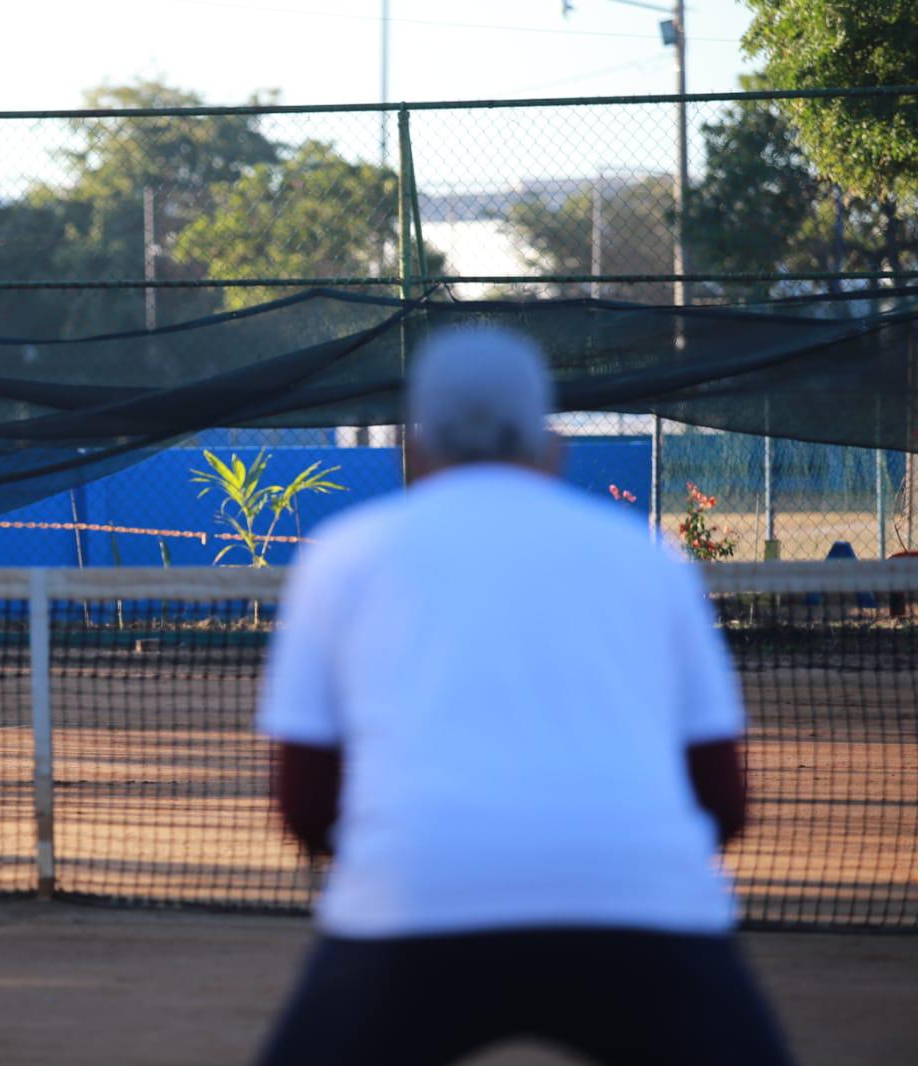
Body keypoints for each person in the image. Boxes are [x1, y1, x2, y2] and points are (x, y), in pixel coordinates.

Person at [255, 326, 792, 1065]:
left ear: (413, 450)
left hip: (408, 904)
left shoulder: (344, 559)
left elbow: (306, 808)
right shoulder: (649, 560)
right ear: (551, 446)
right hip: (644, 907)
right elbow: (723, 802)